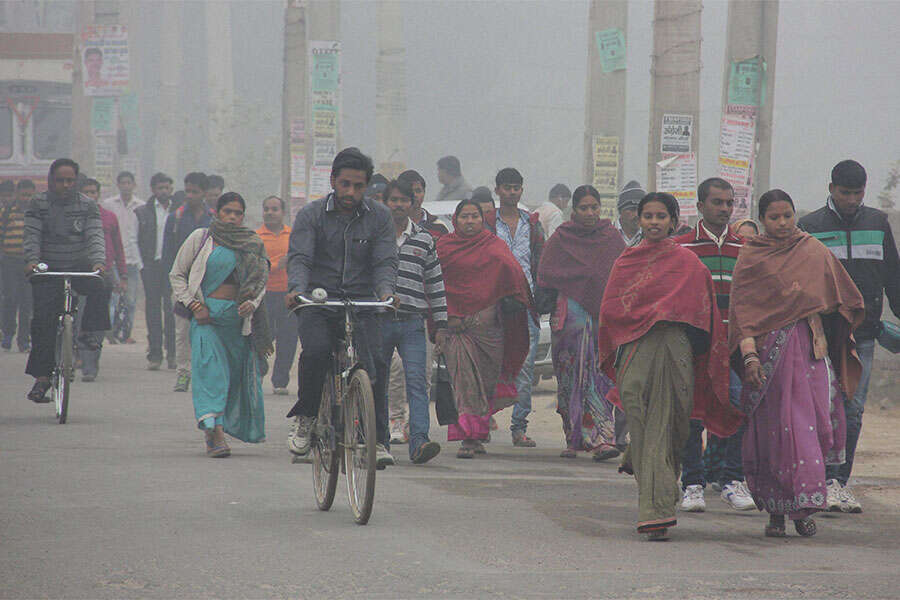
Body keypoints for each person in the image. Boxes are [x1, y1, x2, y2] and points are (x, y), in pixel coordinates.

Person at [598, 192, 743, 540]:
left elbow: (705, 315)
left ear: (674, 220)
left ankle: (650, 478)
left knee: (672, 427)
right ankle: (656, 512)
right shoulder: (626, 262)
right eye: (647, 215)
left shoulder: (689, 264)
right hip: (636, 353)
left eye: (661, 216)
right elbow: (611, 310)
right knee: (646, 422)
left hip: (677, 354)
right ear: (638, 219)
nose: (653, 222)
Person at [730, 189, 865, 537]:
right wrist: (749, 358)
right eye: (774, 217)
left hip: (810, 354)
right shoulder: (752, 257)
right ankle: (776, 512)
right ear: (762, 220)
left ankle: (805, 506)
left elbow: (846, 299)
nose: (782, 223)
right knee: (772, 436)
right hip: (768, 362)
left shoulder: (813, 251)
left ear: (795, 215)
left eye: (787, 215)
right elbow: (743, 316)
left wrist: (817, 305)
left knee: (811, 429)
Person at [285, 147, 398, 468]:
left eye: (358, 186)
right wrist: (297, 290)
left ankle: (374, 439)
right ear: (333, 181)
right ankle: (306, 417)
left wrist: (387, 292)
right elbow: (301, 258)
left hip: (362, 303)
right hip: (319, 302)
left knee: (375, 362)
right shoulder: (311, 215)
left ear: (366, 187)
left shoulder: (380, 217)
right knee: (317, 352)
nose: (351, 192)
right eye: (345, 184)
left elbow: (385, 261)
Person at [798, 160, 900, 514]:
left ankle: (840, 482)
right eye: (846, 193)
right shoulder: (809, 227)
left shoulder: (878, 223)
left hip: (866, 337)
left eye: (858, 193)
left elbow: (893, 278)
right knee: (822, 409)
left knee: (853, 412)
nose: (852, 200)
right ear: (831, 189)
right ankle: (818, 478)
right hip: (822, 337)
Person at [671, 177, 755, 512]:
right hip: (695, 346)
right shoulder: (682, 248)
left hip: (734, 346)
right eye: (717, 202)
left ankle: (731, 479)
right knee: (692, 415)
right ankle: (692, 484)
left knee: (737, 406)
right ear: (700, 205)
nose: (723, 209)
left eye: (728, 203)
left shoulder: (745, 250)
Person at [170, 192, 271, 457]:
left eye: (238, 213)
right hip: (206, 319)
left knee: (233, 379)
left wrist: (252, 303)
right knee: (210, 374)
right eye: (228, 212)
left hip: (238, 324)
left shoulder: (252, 244)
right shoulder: (202, 239)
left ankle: (222, 427)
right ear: (217, 212)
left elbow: (260, 282)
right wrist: (195, 306)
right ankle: (213, 435)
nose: (233, 217)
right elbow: (177, 275)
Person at [436, 199, 531, 458]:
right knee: (465, 383)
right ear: (455, 220)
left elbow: (514, 276)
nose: (469, 221)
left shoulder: (494, 246)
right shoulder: (444, 247)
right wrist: (441, 321)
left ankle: (478, 431)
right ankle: (468, 437)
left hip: (489, 329)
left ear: (482, 219)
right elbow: (433, 284)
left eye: (474, 216)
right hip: (455, 328)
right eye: (464, 216)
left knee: (486, 384)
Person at [536, 185, 625, 460]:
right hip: (569, 321)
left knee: (600, 376)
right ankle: (573, 437)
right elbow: (545, 274)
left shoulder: (611, 239)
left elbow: (622, 275)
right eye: (583, 208)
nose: (589, 213)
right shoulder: (561, 239)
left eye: (594, 207)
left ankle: (602, 438)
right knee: (570, 378)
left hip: (602, 321)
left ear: (601, 209)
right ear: (573, 211)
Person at [23, 159, 109, 402]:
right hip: (47, 267)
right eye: (60, 180)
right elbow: (32, 235)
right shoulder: (38, 203)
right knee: (43, 323)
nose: (65, 185)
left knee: (104, 283)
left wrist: (98, 263)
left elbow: (95, 236)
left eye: (70, 180)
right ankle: (42, 380)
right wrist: (31, 260)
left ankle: (87, 332)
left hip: (78, 264)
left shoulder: (88, 205)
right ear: (51, 180)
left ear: (76, 181)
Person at [381, 179, 446, 463]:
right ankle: (378, 441)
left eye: (403, 200)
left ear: (412, 203)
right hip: (378, 321)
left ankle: (419, 442)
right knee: (376, 380)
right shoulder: (373, 238)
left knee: (418, 383)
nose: (398, 205)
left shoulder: (424, 239)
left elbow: (435, 285)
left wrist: (440, 325)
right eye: (393, 200)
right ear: (386, 203)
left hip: (413, 323)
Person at [493, 167, 545, 447]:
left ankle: (519, 426)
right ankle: (480, 423)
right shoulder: (488, 224)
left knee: (525, 367)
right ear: (497, 190)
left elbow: (542, 262)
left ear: (521, 190)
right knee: (490, 364)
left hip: (526, 304)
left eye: (516, 187)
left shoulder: (532, 224)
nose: (512, 192)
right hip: (493, 304)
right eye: (507, 187)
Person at [166, 172, 213, 392]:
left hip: (207, 284)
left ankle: (204, 374)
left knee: (206, 331)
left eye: (195, 191)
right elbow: (168, 253)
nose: (190, 195)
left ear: (204, 193)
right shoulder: (175, 218)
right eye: (188, 191)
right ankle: (183, 373)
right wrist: (173, 285)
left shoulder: (213, 219)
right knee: (182, 332)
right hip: (182, 283)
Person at [77, 178, 126, 382]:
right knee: (76, 318)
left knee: (96, 320)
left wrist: (122, 275)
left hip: (102, 275)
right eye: (86, 191)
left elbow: (118, 247)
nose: (91, 195)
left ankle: (90, 366)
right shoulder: (74, 218)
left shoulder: (109, 217)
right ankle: (69, 360)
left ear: (99, 194)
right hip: (78, 274)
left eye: (94, 192)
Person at [256, 195, 298, 395]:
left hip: (288, 296)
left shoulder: (293, 235)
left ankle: (280, 381)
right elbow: (255, 265)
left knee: (288, 340)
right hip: (264, 295)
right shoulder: (257, 237)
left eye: (274, 209)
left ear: (283, 212)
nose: (270, 213)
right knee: (264, 337)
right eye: (267, 209)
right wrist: (274, 266)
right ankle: (258, 370)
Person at [135, 172, 177, 370]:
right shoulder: (142, 212)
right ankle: (155, 354)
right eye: (160, 188)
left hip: (172, 266)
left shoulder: (178, 211)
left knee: (171, 310)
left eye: (167, 188)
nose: (164, 191)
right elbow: (134, 239)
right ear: (153, 190)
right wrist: (141, 264)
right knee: (152, 309)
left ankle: (172, 353)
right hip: (151, 265)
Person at [101, 171, 142, 344]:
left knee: (131, 300)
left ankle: (126, 333)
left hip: (133, 258)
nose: (126, 186)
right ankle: (110, 331)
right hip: (114, 259)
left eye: (129, 183)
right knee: (114, 298)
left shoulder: (141, 206)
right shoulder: (109, 205)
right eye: (122, 183)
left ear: (134, 185)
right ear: (118, 185)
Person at [0, 180, 35, 352]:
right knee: (10, 298)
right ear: (17, 194)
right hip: (9, 261)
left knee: (27, 302)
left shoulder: (37, 214)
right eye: (23, 195)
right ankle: (7, 333)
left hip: (29, 264)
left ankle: (23, 340)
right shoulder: (6, 213)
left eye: (29, 195)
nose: (26, 198)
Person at [398, 169, 449, 238]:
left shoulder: (439, 227)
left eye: (418, 191)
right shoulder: (391, 226)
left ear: (424, 193)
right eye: (409, 191)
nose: (414, 195)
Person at [615, 180, 644, 247]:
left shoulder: (649, 236)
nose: (637, 215)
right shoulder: (607, 234)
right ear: (620, 211)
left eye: (640, 210)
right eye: (632, 209)